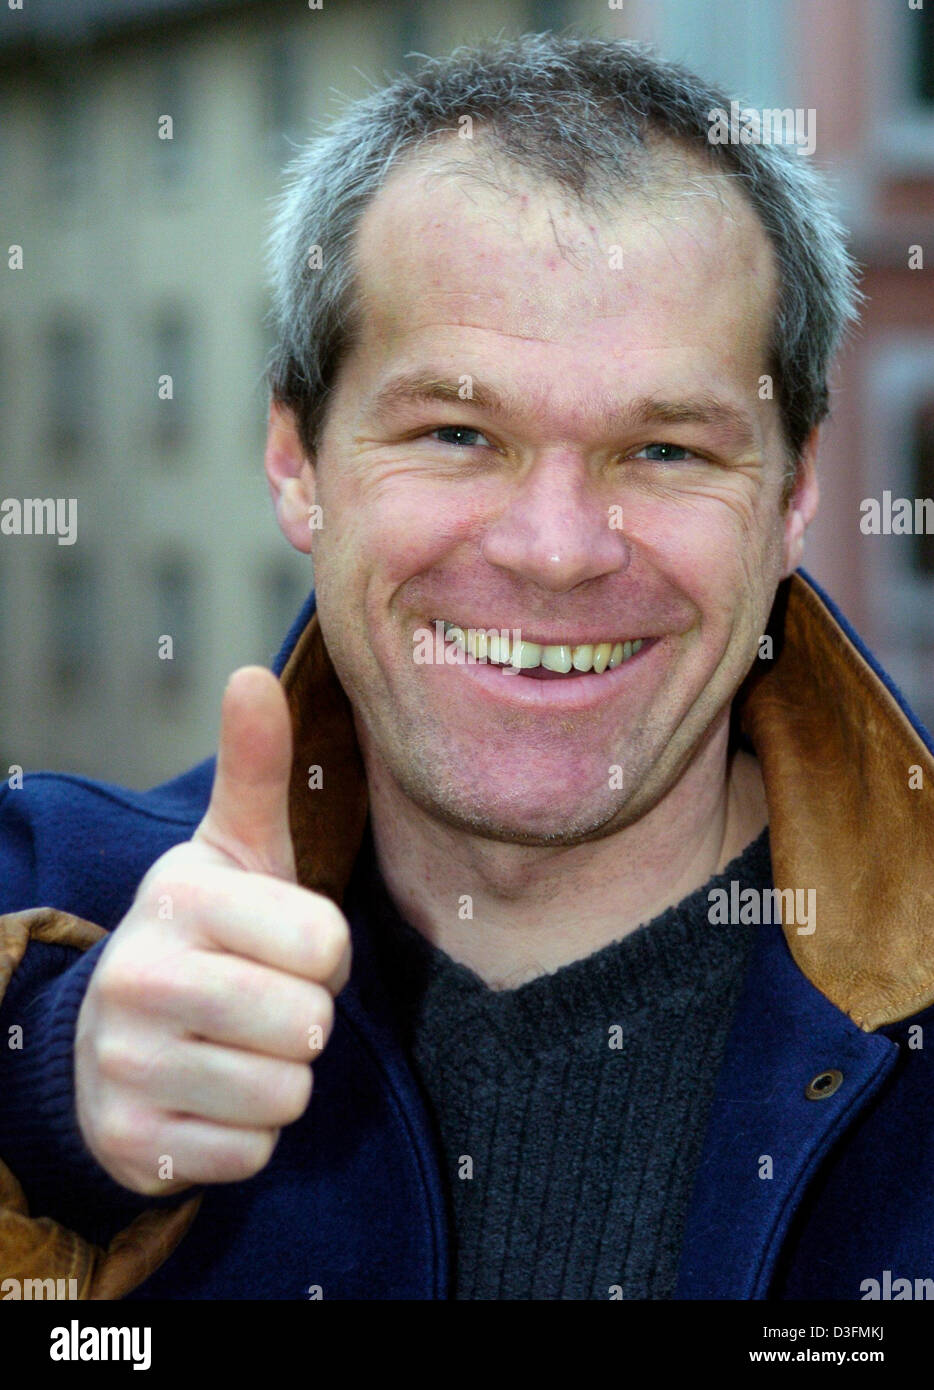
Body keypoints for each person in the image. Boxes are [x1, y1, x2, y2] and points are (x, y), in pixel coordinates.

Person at [2, 32, 932, 1303]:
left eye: (664, 451)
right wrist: (53, 1104)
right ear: (294, 459)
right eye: (455, 431)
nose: (555, 552)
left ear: (793, 496)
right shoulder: (46, 902)